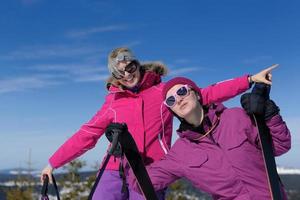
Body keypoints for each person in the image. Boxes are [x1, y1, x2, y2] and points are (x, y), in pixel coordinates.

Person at [40, 47, 276, 200]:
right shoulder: (112, 102)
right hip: (115, 169)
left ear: (137, 64)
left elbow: (206, 93)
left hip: (151, 170)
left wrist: (247, 80)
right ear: (115, 76)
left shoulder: (162, 93)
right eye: (120, 73)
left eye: (130, 67)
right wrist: (53, 163)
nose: (127, 75)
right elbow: (86, 135)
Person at [128, 76, 291, 199]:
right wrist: (127, 151)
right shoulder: (180, 152)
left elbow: (280, 146)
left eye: (182, 91)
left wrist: (269, 114)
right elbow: (143, 184)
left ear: (197, 94)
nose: (178, 99)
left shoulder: (235, 117)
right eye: (171, 100)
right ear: (173, 111)